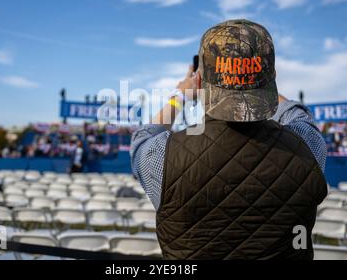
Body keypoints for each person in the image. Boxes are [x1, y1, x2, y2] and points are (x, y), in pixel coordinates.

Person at [130, 19, 328, 260]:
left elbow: (144, 136)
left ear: (200, 82)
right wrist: (259, 83)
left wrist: (180, 96)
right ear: (272, 78)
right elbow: (295, 113)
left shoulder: (161, 156)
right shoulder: (308, 145)